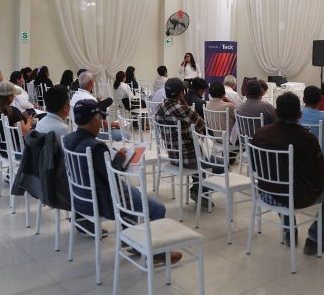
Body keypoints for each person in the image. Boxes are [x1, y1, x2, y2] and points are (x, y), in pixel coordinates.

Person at [62, 99, 181, 264]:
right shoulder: (95, 147)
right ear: (93, 120)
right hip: (105, 201)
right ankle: (156, 252)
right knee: (157, 208)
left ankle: (131, 240)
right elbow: (112, 177)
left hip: (81, 200)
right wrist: (119, 159)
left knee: (133, 193)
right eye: (100, 119)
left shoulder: (67, 139)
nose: (101, 123)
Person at [251, 92, 324, 255]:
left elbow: (255, 164)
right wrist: (317, 186)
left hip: (266, 191)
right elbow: (320, 176)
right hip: (294, 196)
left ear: (276, 113)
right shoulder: (306, 137)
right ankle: (315, 240)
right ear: (299, 114)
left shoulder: (261, 133)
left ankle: (289, 229)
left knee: (282, 179)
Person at [155, 78, 217, 207]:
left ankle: (198, 188)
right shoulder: (183, 109)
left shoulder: (158, 109)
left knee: (197, 152)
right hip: (189, 158)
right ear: (181, 93)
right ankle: (200, 190)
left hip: (172, 156)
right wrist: (185, 105)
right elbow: (202, 125)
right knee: (222, 164)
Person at [0, 81, 34, 156]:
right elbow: (24, 133)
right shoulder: (13, 111)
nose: (14, 97)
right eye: (13, 95)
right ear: (9, 97)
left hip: (4, 151)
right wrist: (29, 122)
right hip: (19, 151)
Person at [70, 71, 122, 141]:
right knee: (124, 134)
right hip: (91, 134)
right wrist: (116, 124)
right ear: (91, 83)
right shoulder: (90, 99)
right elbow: (100, 123)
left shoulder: (75, 96)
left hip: (77, 131)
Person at [301, 86, 324, 163]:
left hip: (301, 156)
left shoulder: (296, 116)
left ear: (303, 99)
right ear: (320, 100)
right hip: (323, 157)